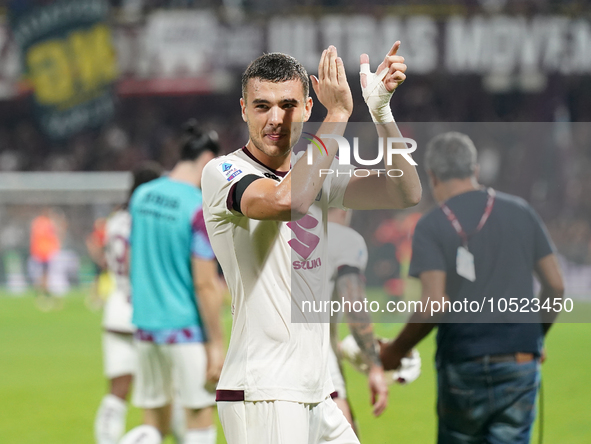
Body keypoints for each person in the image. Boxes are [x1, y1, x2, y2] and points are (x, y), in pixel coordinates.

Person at [202, 43, 421, 444]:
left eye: (287, 104)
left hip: (317, 391)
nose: (275, 118)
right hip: (264, 391)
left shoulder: (317, 170)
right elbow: (288, 200)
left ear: (306, 107)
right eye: (262, 105)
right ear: (243, 109)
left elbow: (404, 192)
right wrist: (337, 115)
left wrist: (381, 113)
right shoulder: (224, 172)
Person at [379, 132, 565, 444]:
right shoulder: (521, 211)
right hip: (519, 362)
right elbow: (556, 286)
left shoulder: (432, 224)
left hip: (464, 363)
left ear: (432, 176)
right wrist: (535, 336)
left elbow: (434, 303)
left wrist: (395, 352)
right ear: (475, 169)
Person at [119, 122, 224, 444]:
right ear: (207, 158)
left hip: (146, 326)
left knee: (153, 418)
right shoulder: (198, 207)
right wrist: (216, 344)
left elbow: (133, 260)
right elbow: (204, 284)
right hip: (185, 328)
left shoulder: (142, 196)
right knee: (198, 412)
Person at [94, 162, 163, 444]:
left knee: (116, 395)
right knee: (161, 395)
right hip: (146, 311)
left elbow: (107, 256)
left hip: (115, 310)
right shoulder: (149, 217)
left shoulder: (114, 219)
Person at [326, 208, 388, 433]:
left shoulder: (283, 231)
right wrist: (375, 364)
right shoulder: (344, 239)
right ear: (343, 208)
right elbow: (354, 305)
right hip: (316, 359)